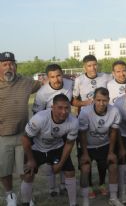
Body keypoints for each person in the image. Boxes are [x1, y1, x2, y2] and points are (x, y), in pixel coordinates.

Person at [21, 94, 78, 206]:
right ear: (52, 107)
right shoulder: (40, 118)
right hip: (36, 149)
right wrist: (31, 159)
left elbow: (69, 143)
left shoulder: (73, 121)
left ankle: (73, 204)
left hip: (56, 149)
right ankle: (25, 203)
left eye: (67, 108)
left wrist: (60, 163)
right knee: (28, 174)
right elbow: (25, 138)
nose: (64, 111)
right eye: (60, 108)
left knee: (70, 172)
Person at [0, 52, 41, 206]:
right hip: (2, 136)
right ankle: (10, 195)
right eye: (4, 64)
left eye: (11, 64)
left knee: (27, 169)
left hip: (23, 134)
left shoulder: (26, 82)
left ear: (15, 67)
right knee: (4, 170)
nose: (8, 67)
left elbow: (45, 85)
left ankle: (27, 196)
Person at [72, 55, 112, 198]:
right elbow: (74, 101)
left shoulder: (106, 77)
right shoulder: (79, 80)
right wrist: (87, 103)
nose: (93, 68)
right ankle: (88, 186)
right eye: (89, 65)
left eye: (95, 65)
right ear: (84, 67)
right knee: (85, 157)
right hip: (86, 121)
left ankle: (101, 183)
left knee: (102, 160)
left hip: (103, 119)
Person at [32, 63, 74, 196]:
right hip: (50, 129)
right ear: (48, 78)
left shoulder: (69, 83)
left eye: (58, 75)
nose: (56, 79)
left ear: (62, 75)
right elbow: (37, 114)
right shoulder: (42, 93)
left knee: (64, 157)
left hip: (66, 126)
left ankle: (63, 186)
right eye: (52, 77)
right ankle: (52, 188)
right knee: (52, 160)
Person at [78, 88, 123, 206]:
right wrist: (85, 153)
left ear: (108, 100)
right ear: (93, 100)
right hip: (88, 146)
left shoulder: (114, 111)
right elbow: (82, 134)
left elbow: (113, 132)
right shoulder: (85, 112)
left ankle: (113, 198)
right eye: (98, 100)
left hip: (104, 144)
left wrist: (111, 152)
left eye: (104, 100)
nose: (101, 103)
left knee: (113, 165)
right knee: (85, 168)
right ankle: (85, 201)